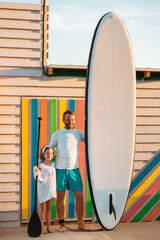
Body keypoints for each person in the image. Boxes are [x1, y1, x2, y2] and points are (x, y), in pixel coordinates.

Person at [49, 109, 90, 232]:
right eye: (68, 119)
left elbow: (90, 140)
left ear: (75, 120)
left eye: (72, 120)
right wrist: (42, 162)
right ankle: (62, 225)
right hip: (60, 170)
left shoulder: (78, 133)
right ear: (63, 120)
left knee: (80, 196)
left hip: (74, 170)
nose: (70, 121)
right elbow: (50, 148)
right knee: (60, 197)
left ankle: (81, 223)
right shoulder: (57, 134)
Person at [33, 145, 56, 234]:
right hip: (43, 188)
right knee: (43, 209)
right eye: (47, 153)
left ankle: (48, 226)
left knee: (49, 208)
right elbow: (38, 177)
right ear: (43, 155)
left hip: (50, 188)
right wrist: (36, 172)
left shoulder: (54, 165)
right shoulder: (41, 166)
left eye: (51, 153)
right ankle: (42, 227)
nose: (49, 155)